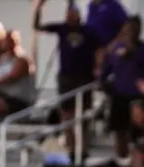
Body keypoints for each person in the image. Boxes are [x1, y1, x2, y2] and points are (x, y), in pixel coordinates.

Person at [34, 0, 98, 158]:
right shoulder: (62, 28)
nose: (70, 17)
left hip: (84, 77)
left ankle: (82, 148)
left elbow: (101, 48)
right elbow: (38, 27)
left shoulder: (89, 31)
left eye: (73, 14)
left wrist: (98, 68)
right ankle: (71, 147)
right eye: (68, 14)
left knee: (82, 114)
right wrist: (38, 8)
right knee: (66, 113)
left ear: (78, 16)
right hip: (66, 77)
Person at [101, 16, 144, 158]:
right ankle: (122, 160)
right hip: (120, 94)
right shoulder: (116, 48)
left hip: (138, 95)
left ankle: (143, 160)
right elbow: (107, 67)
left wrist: (133, 50)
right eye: (129, 28)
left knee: (141, 131)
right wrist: (103, 82)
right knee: (119, 131)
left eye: (134, 28)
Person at [0, 29, 36, 118]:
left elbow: (12, 77)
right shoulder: (2, 61)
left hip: (18, 99)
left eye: (9, 41)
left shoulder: (22, 60)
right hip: (3, 96)